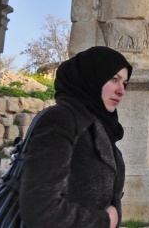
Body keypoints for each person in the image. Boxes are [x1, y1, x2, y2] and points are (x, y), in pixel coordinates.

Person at [19, 46, 133, 228]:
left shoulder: (100, 125)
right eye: (114, 79)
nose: (121, 91)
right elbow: (41, 210)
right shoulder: (61, 119)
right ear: (91, 77)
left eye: (124, 83)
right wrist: (105, 221)